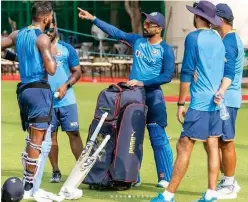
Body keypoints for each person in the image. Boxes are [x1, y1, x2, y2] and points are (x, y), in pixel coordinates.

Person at [78, 8, 175, 188]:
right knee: (131, 136)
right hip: (133, 97)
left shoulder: (165, 49)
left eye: (149, 24)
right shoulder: (137, 40)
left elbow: (167, 75)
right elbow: (116, 33)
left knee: (157, 137)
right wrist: (94, 18)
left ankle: (165, 177)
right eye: (144, 23)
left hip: (153, 97)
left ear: (159, 28)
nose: (145, 26)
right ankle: (132, 175)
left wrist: (143, 83)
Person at [151, 1, 227, 202]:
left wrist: (180, 103)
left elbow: (186, 72)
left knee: (184, 145)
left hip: (200, 103)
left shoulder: (194, 37)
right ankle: (211, 193)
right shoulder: (219, 38)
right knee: (212, 145)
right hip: (217, 101)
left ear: (198, 17)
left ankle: (168, 196)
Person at [1, 1, 59, 201]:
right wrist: (51, 45)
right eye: (51, 16)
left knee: (33, 139)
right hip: (38, 91)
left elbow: (3, 48)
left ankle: (31, 184)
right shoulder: (42, 38)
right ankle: (28, 187)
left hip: (24, 91)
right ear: (46, 18)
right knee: (36, 141)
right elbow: (52, 69)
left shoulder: (19, 34)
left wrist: (14, 56)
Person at [45, 17, 83, 183]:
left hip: (67, 100)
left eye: (51, 29)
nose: (49, 33)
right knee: (50, 136)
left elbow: (77, 72)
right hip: (46, 102)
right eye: (46, 30)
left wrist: (65, 86)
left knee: (74, 133)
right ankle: (56, 171)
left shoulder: (67, 48)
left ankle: (81, 172)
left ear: (56, 27)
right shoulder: (39, 49)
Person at [213, 3, 244, 200]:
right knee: (216, 142)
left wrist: (220, 92)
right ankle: (228, 180)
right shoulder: (228, 38)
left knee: (226, 142)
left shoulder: (229, 42)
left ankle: (230, 183)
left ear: (221, 20)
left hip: (227, 98)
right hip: (227, 98)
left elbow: (229, 72)